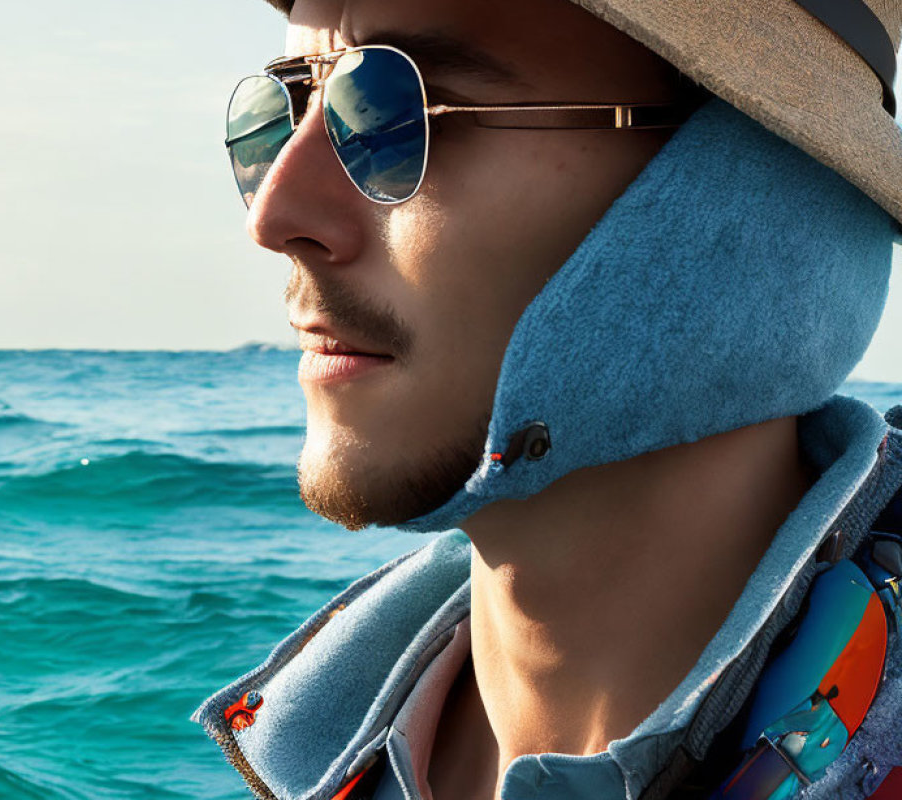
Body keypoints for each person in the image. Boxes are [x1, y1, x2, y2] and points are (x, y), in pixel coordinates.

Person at [194, 1, 902, 798]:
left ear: (755, 195)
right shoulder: (310, 746)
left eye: (396, 110)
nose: (276, 216)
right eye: (283, 109)